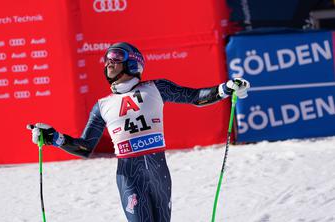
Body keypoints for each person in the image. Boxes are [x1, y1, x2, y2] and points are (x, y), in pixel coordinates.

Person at [29, 42, 250, 222]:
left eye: (115, 57)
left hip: (158, 173)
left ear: (132, 63)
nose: (109, 63)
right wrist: (54, 137)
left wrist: (225, 89)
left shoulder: (156, 88)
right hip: (129, 176)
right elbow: (85, 147)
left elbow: (195, 97)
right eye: (107, 59)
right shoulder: (102, 105)